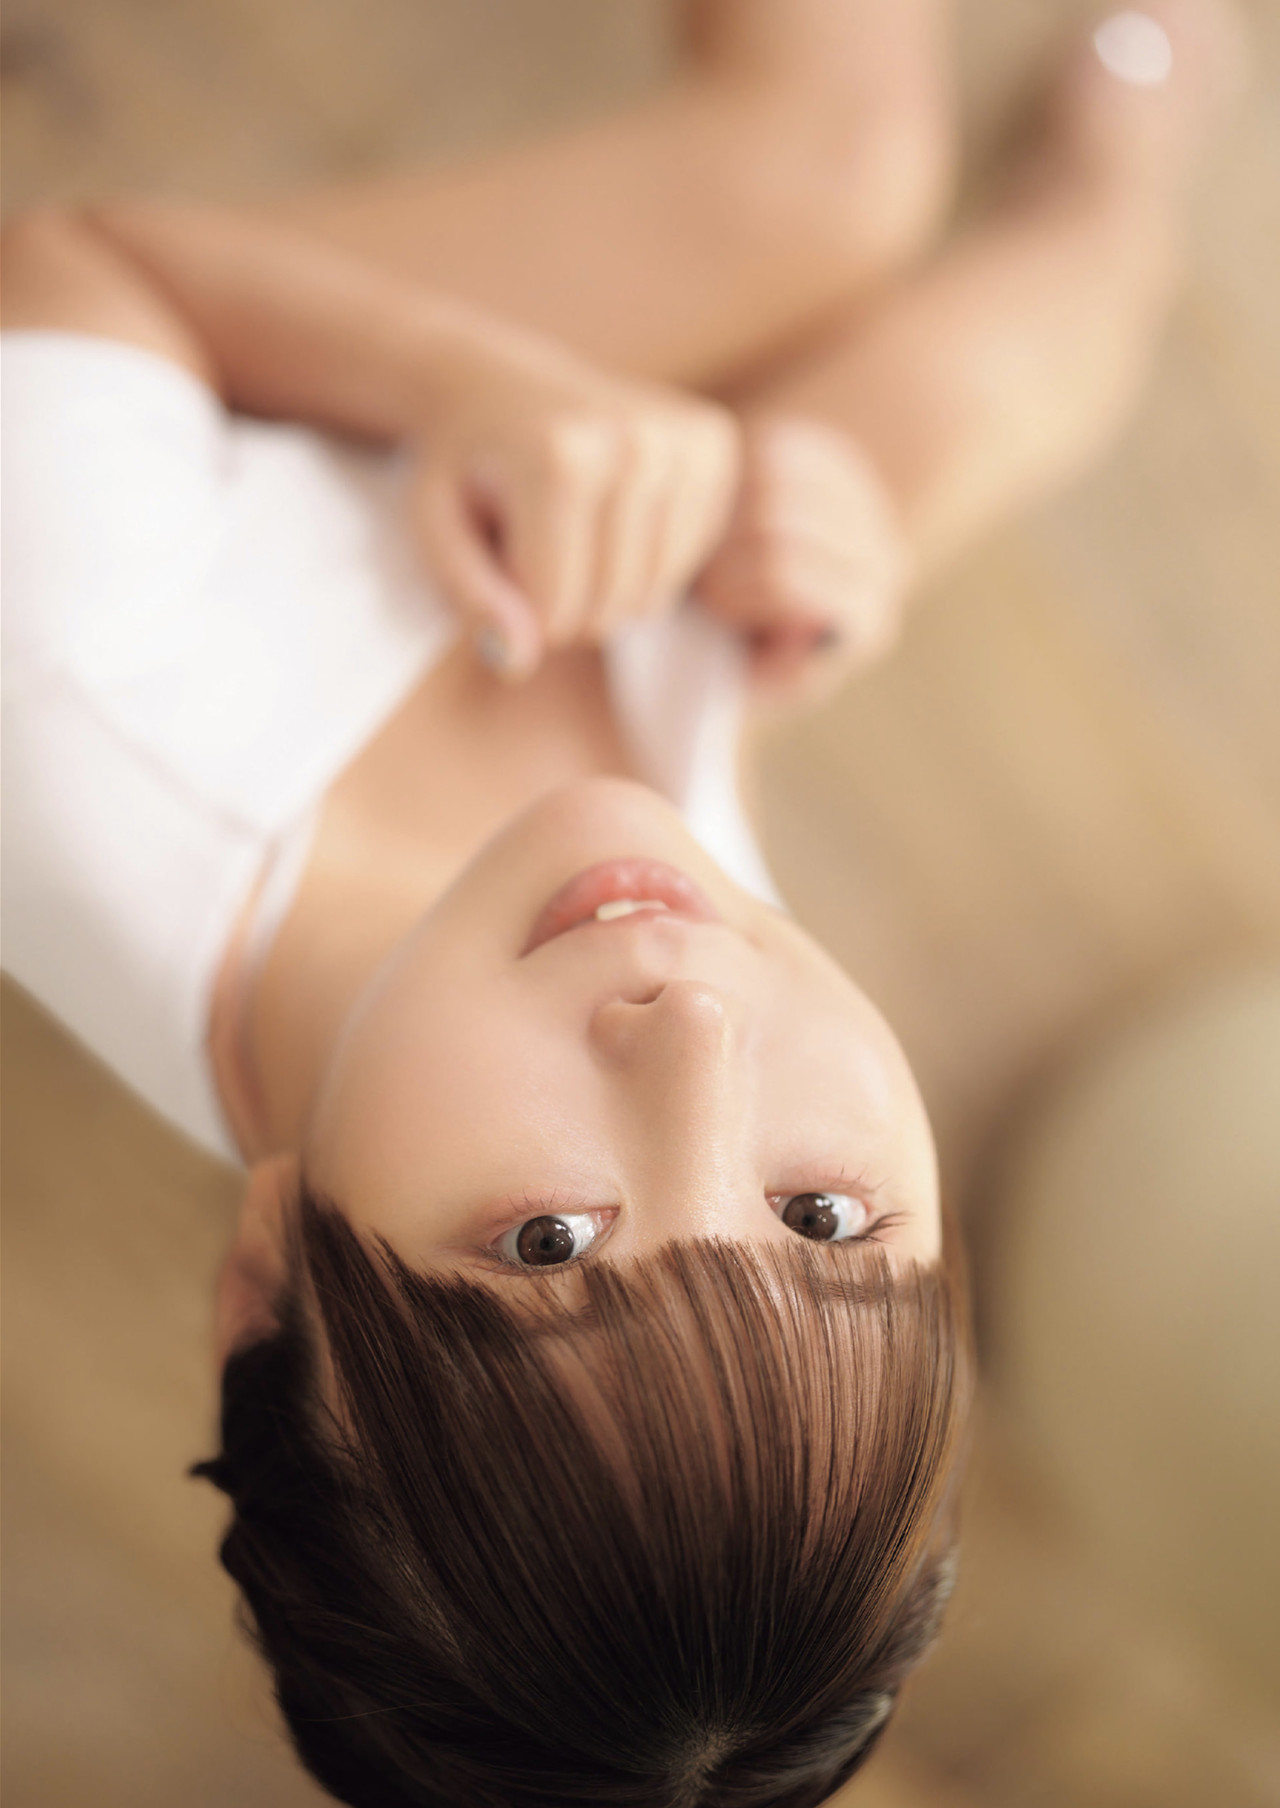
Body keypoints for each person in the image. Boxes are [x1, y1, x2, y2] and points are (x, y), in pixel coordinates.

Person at [0, 0, 1239, 1801]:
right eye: (824, 1218)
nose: (702, 1036)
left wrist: (461, 387)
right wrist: (835, 545)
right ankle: (1116, 183)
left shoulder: (72, 700)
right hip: (596, 615)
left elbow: (71, 271)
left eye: (548, 1248)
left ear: (268, 1288)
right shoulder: (626, 962)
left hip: (236, 420)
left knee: (830, 182)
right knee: (909, 437)